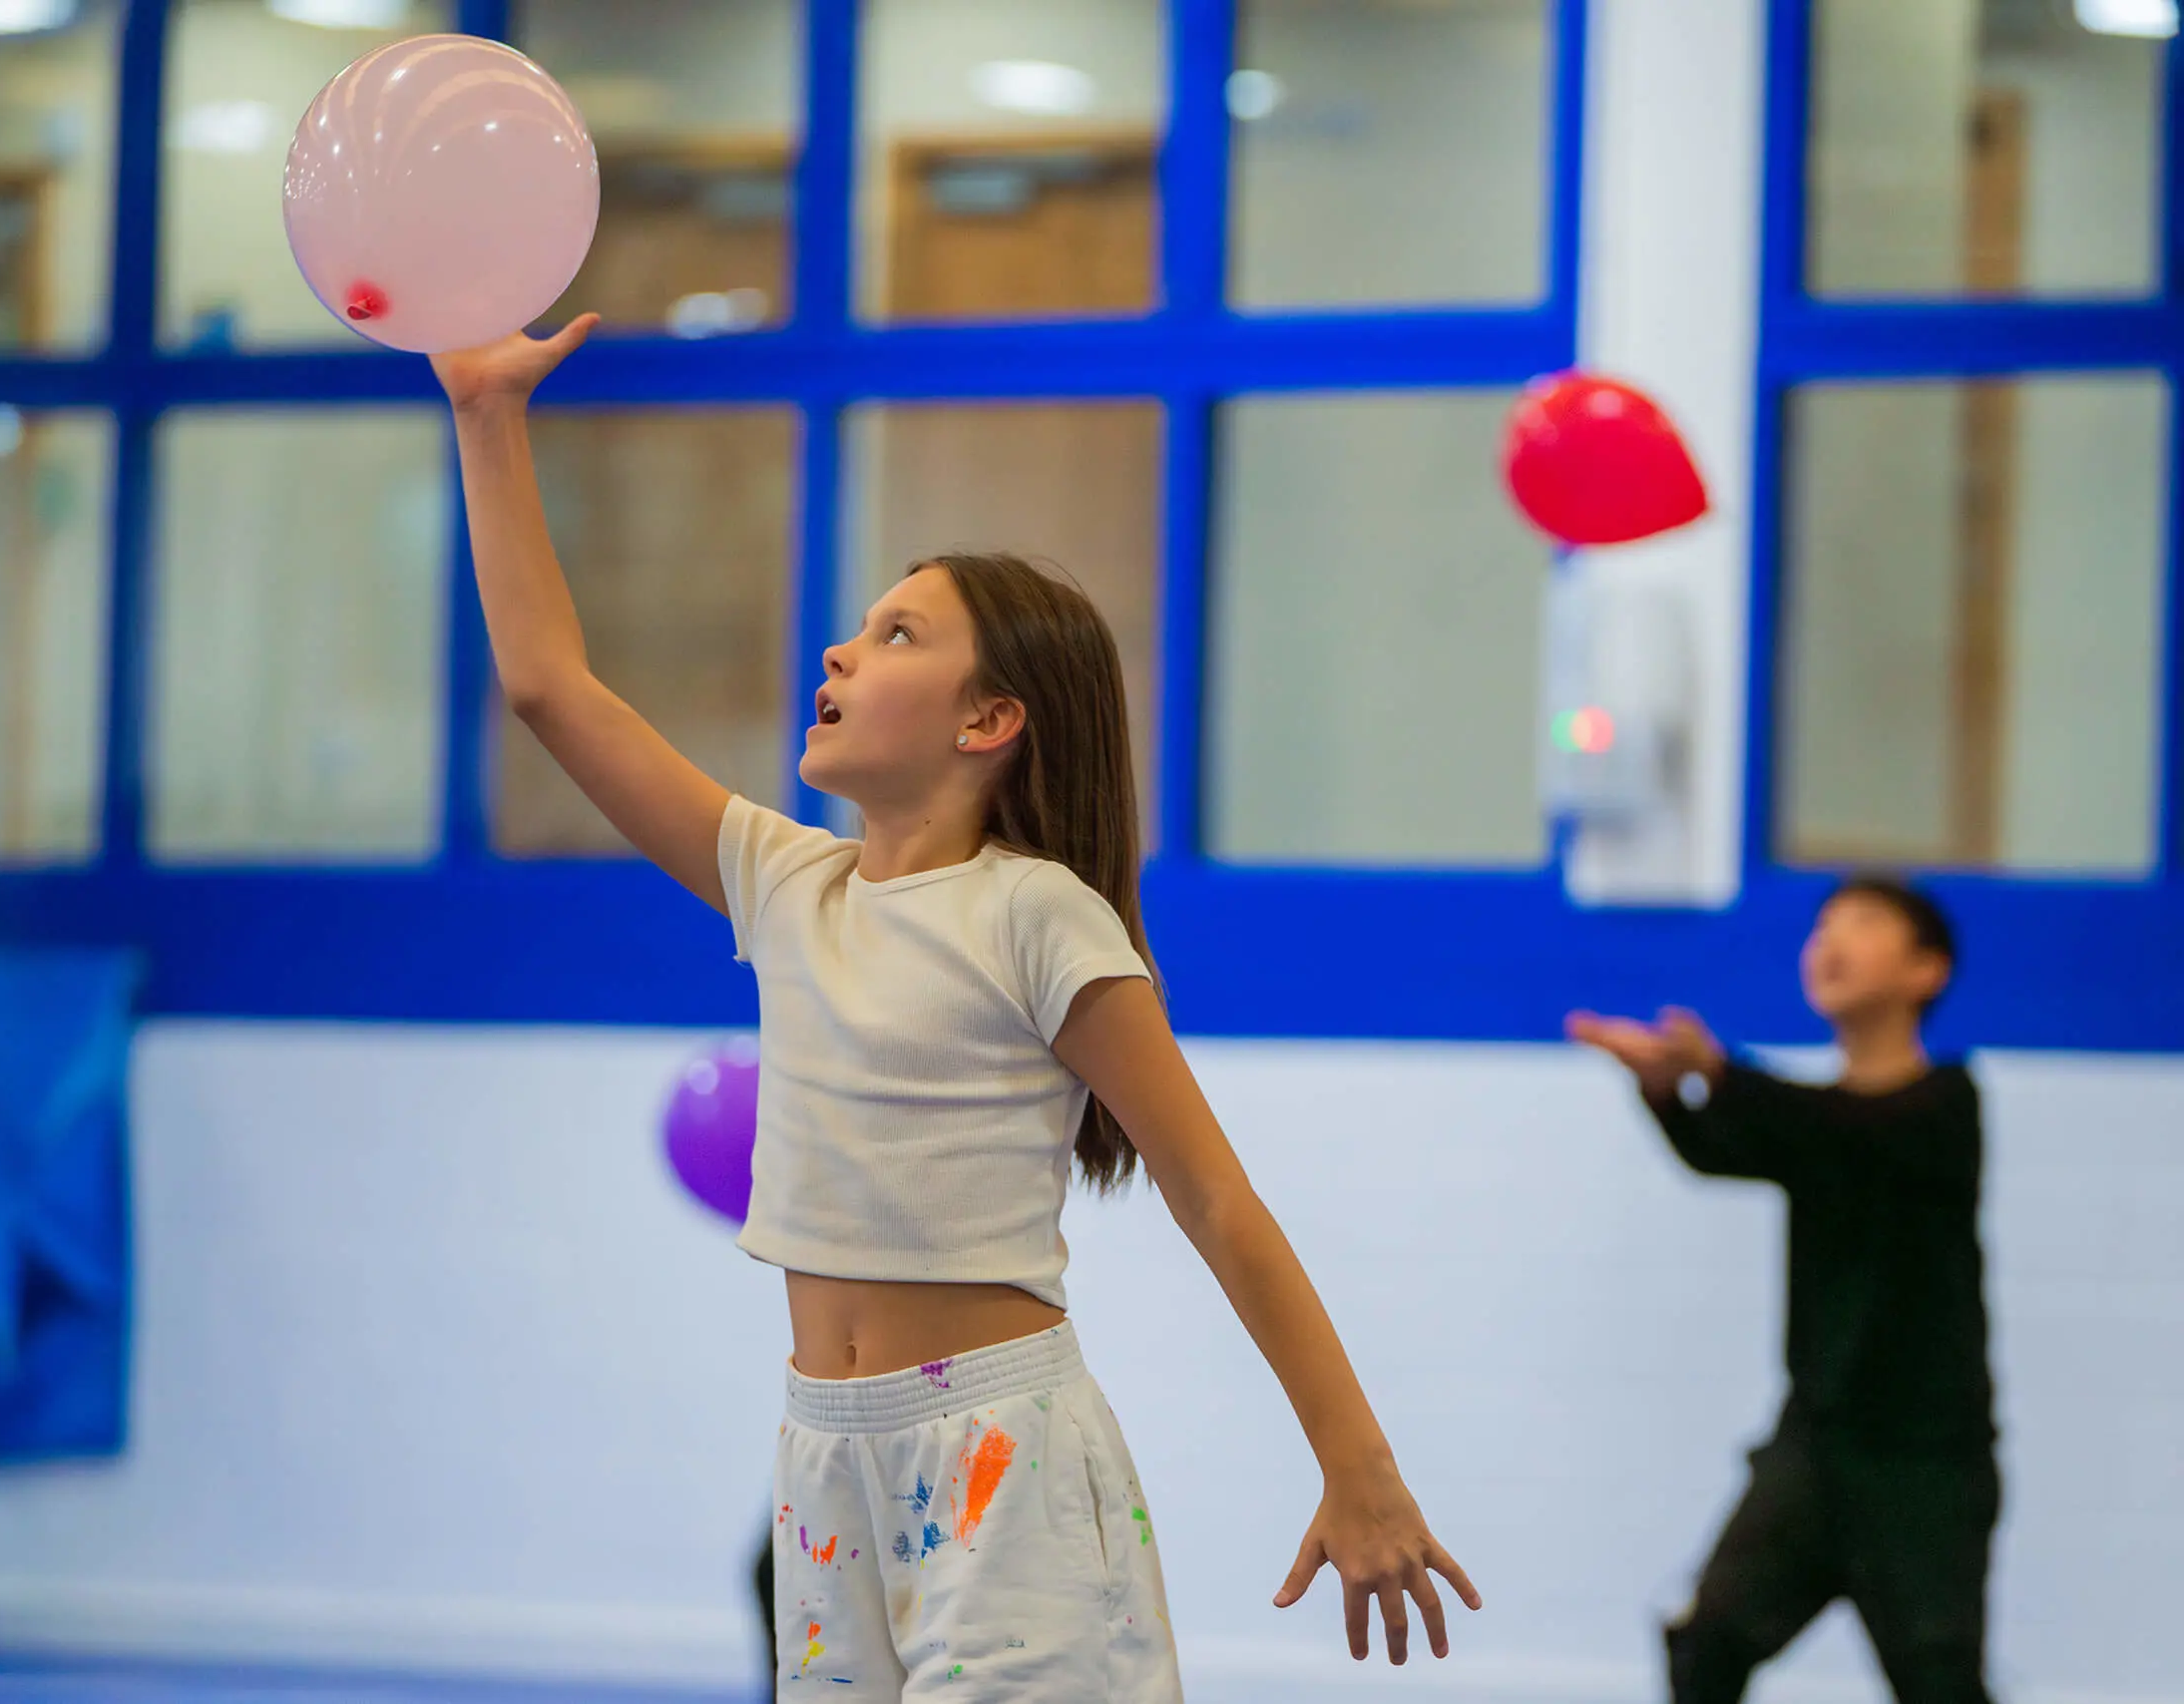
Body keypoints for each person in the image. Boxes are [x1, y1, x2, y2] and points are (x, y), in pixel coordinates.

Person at [434, 317, 1477, 1701]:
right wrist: (486, 416)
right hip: (822, 1462)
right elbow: (547, 688)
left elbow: (1218, 1198)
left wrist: (1359, 1468)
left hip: (999, 1463)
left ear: (989, 722)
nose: (842, 649)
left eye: (895, 632)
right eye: (860, 628)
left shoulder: (1037, 913)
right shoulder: (782, 882)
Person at [1567, 877, 1998, 1704]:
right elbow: (1722, 1149)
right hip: (1815, 1449)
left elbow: (1846, 1129)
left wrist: (1722, 1070)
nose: (1829, 942)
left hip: (1925, 1468)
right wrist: (1665, 1093)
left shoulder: (1946, 1107)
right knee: (1707, 1644)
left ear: (1927, 971)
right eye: (1822, 926)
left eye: (1864, 924)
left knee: (1940, 1683)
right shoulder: (1816, 1120)